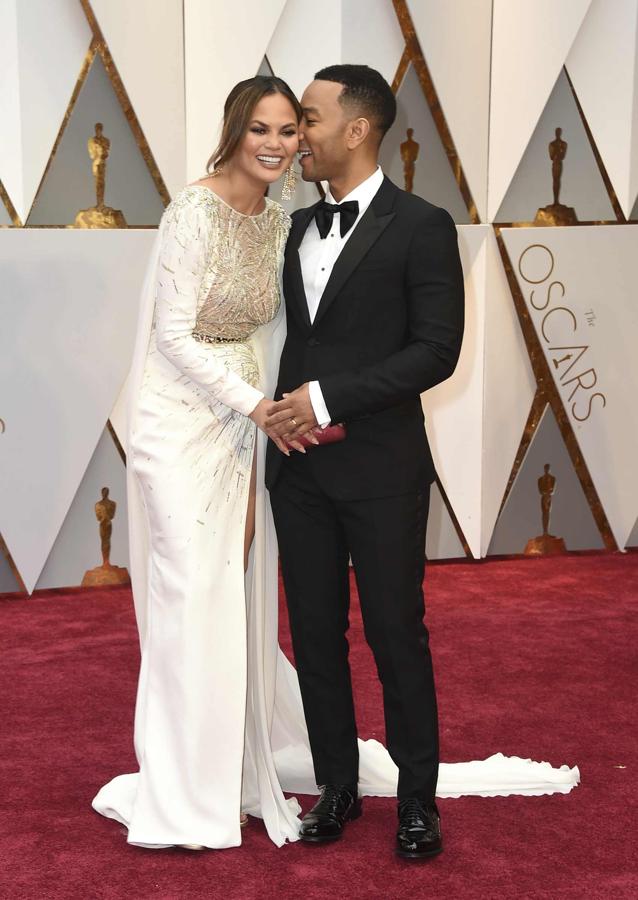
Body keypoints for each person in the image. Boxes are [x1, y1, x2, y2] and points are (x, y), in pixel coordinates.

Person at [92, 75, 304, 850]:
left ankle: (229, 772)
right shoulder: (193, 211)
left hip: (243, 428)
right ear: (234, 131)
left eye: (287, 131)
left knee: (229, 592)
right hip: (177, 425)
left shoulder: (279, 219)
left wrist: (265, 421)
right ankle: (181, 794)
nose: (275, 144)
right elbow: (174, 338)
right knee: (188, 595)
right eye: (261, 129)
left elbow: (269, 333)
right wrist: (258, 410)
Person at [264, 64, 463, 860]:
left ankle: (419, 802)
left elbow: (435, 352)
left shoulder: (423, 224)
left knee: (394, 633)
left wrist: (327, 398)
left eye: (308, 118)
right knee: (314, 635)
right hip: (300, 473)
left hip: (382, 470)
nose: (295, 134)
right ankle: (336, 787)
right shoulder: (290, 225)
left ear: (357, 129)